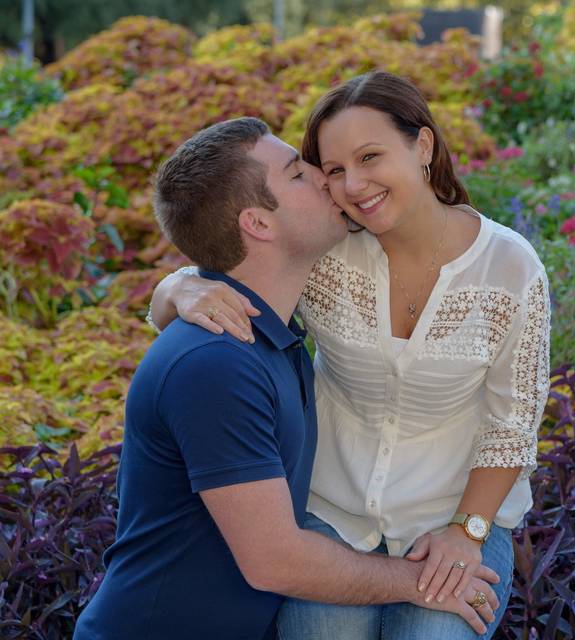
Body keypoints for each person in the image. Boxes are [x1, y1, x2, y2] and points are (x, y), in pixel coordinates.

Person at [149, 72, 551, 639]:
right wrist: (176, 289)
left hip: (455, 516)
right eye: (334, 170)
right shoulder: (330, 254)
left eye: (370, 157)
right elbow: (239, 269)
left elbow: (513, 424)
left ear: (424, 146)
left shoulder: (511, 267)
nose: (354, 184)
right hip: (329, 514)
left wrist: (468, 529)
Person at [74, 116, 500, 640]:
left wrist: (175, 287)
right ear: (258, 223)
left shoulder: (268, 330)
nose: (326, 177)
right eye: (298, 173)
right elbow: (276, 560)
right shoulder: (216, 366)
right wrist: (422, 583)